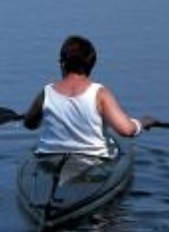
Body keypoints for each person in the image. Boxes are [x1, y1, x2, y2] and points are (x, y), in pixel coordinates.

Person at [23, 34, 157, 155]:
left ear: (62, 64)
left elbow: (29, 124)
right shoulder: (100, 94)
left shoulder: (46, 92)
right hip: (93, 163)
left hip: (48, 158)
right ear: (91, 65)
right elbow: (126, 130)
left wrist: (41, 115)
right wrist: (142, 123)